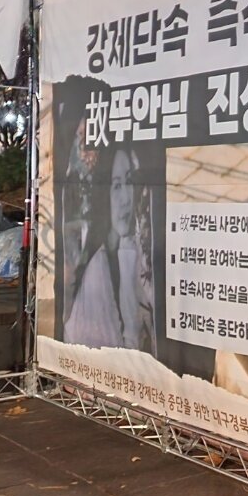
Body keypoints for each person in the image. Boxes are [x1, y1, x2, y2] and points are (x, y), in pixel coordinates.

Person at [63, 144, 154, 352]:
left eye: (130, 182)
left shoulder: (137, 253)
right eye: (116, 186)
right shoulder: (98, 265)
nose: (126, 199)